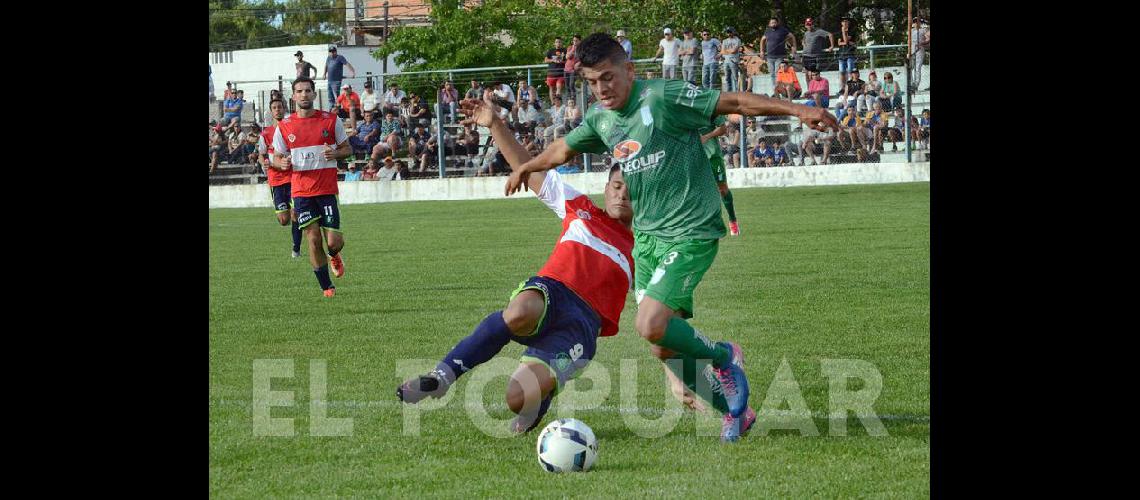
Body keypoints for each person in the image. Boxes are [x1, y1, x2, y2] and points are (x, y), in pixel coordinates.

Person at [503, 32, 839, 442]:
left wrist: (798, 110)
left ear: (628, 70)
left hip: (691, 231)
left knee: (650, 324)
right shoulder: (601, 119)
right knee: (664, 347)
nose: (601, 89)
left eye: (608, 77)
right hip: (648, 240)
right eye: (592, 82)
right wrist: (526, 167)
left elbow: (733, 102)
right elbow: (562, 150)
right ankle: (737, 414)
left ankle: (723, 356)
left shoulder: (663, 97)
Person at [399, 94, 635, 437]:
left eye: (630, 190)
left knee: (516, 398)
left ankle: (540, 399)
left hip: (582, 326)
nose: (621, 195)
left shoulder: (642, 244)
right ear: (606, 185)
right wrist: (495, 124)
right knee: (519, 310)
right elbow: (529, 167)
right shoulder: (579, 208)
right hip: (551, 290)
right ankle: (441, 377)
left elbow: (658, 308)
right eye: (616, 186)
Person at [271, 76, 352, 297]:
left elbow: (347, 149)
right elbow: (274, 158)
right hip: (302, 192)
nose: (304, 95)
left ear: (314, 94)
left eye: (308, 91)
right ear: (294, 96)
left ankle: (334, 255)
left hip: (326, 190)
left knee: (333, 242)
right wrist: (282, 162)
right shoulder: (284, 126)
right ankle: (327, 287)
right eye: (299, 91)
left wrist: (335, 153)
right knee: (313, 239)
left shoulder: (330, 120)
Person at [698, 115, 742, 235]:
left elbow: (723, 129)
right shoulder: (682, 108)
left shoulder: (708, 106)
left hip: (712, 156)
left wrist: (706, 137)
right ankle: (704, 224)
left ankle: (733, 220)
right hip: (694, 156)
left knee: (722, 189)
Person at [759, 18, 796, 87]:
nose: (773, 24)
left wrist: (794, 47)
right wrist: (762, 51)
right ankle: (775, 90)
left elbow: (792, 36)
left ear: (777, 23)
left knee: (777, 73)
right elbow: (762, 40)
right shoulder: (767, 31)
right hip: (770, 57)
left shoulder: (782, 30)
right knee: (772, 74)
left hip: (780, 56)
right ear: (769, 24)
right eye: (772, 23)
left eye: (774, 22)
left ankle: (780, 89)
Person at [719, 27, 743, 92]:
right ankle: (729, 93)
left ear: (733, 32)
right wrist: (728, 51)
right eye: (728, 32)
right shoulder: (724, 41)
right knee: (727, 78)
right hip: (726, 62)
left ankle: (737, 92)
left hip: (734, 61)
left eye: (730, 32)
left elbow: (734, 51)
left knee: (735, 78)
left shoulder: (737, 40)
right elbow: (722, 51)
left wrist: (726, 51)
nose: (729, 33)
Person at [544, 37, 567, 103]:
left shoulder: (565, 50)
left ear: (562, 43)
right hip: (551, 72)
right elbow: (546, 60)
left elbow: (568, 60)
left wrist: (562, 61)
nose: (558, 43)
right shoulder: (551, 51)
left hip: (561, 73)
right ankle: (553, 103)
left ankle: (557, 102)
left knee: (559, 87)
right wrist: (553, 60)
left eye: (559, 42)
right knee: (551, 88)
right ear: (554, 43)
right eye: (557, 42)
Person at [836, 18, 857, 88]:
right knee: (842, 72)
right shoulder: (839, 32)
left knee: (850, 71)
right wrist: (846, 42)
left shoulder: (851, 31)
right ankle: (843, 88)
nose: (844, 23)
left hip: (850, 54)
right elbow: (839, 43)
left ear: (848, 23)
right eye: (843, 21)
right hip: (841, 54)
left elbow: (845, 40)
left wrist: (843, 32)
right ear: (841, 23)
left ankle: (851, 87)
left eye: (846, 21)